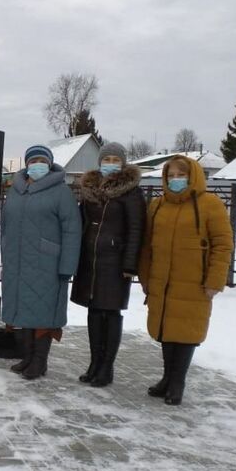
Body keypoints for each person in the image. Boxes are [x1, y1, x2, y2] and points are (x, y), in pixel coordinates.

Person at [138, 156, 232, 406]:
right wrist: (145, 276)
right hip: (162, 281)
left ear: (193, 177)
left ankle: (177, 382)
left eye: (182, 175)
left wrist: (215, 280)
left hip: (194, 282)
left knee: (186, 332)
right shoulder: (158, 205)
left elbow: (223, 245)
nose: (176, 179)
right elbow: (147, 246)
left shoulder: (210, 204)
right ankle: (167, 378)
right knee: (166, 331)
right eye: (171, 175)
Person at [0, 145, 82, 380]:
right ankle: (27, 357)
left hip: (47, 264)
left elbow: (72, 230)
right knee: (23, 310)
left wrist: (67, 267)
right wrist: (5, 252)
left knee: (43, 313)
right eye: (33, 160)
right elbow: (5, 226)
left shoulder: (61, 192)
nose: (37, 165)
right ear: (26, 164)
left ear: (49, 163)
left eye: (42, 161)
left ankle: (39, 361)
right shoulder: (16, 190)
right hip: (17, 262)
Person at [70, 143, 146, 387]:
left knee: (110, 312)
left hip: (115, 262)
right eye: (107, 159)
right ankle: (94, 363)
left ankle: (107, 367)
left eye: (115, 159)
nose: (110, 163)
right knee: (93, 311)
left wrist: (130, 264)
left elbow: (136, 230)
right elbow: (82, 223)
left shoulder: (131, 193)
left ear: (122, 163)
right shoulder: (90, 189)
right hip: (90, 260)